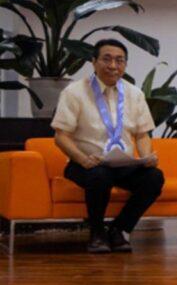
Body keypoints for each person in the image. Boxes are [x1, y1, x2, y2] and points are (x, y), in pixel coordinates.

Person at [51, 39, 164, 254]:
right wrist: (83, 158)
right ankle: (97, 233)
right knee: (100, 175)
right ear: (93, 62)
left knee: (154, 177)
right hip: (85, 163)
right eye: (107, 59)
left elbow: (142, 134)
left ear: (125, 65)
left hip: (123, 164)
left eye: (119, 60)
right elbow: (61, 136)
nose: (113, 65)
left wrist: (146, 157)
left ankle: (119, 230)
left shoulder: (134, 94)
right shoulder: (74, 92)